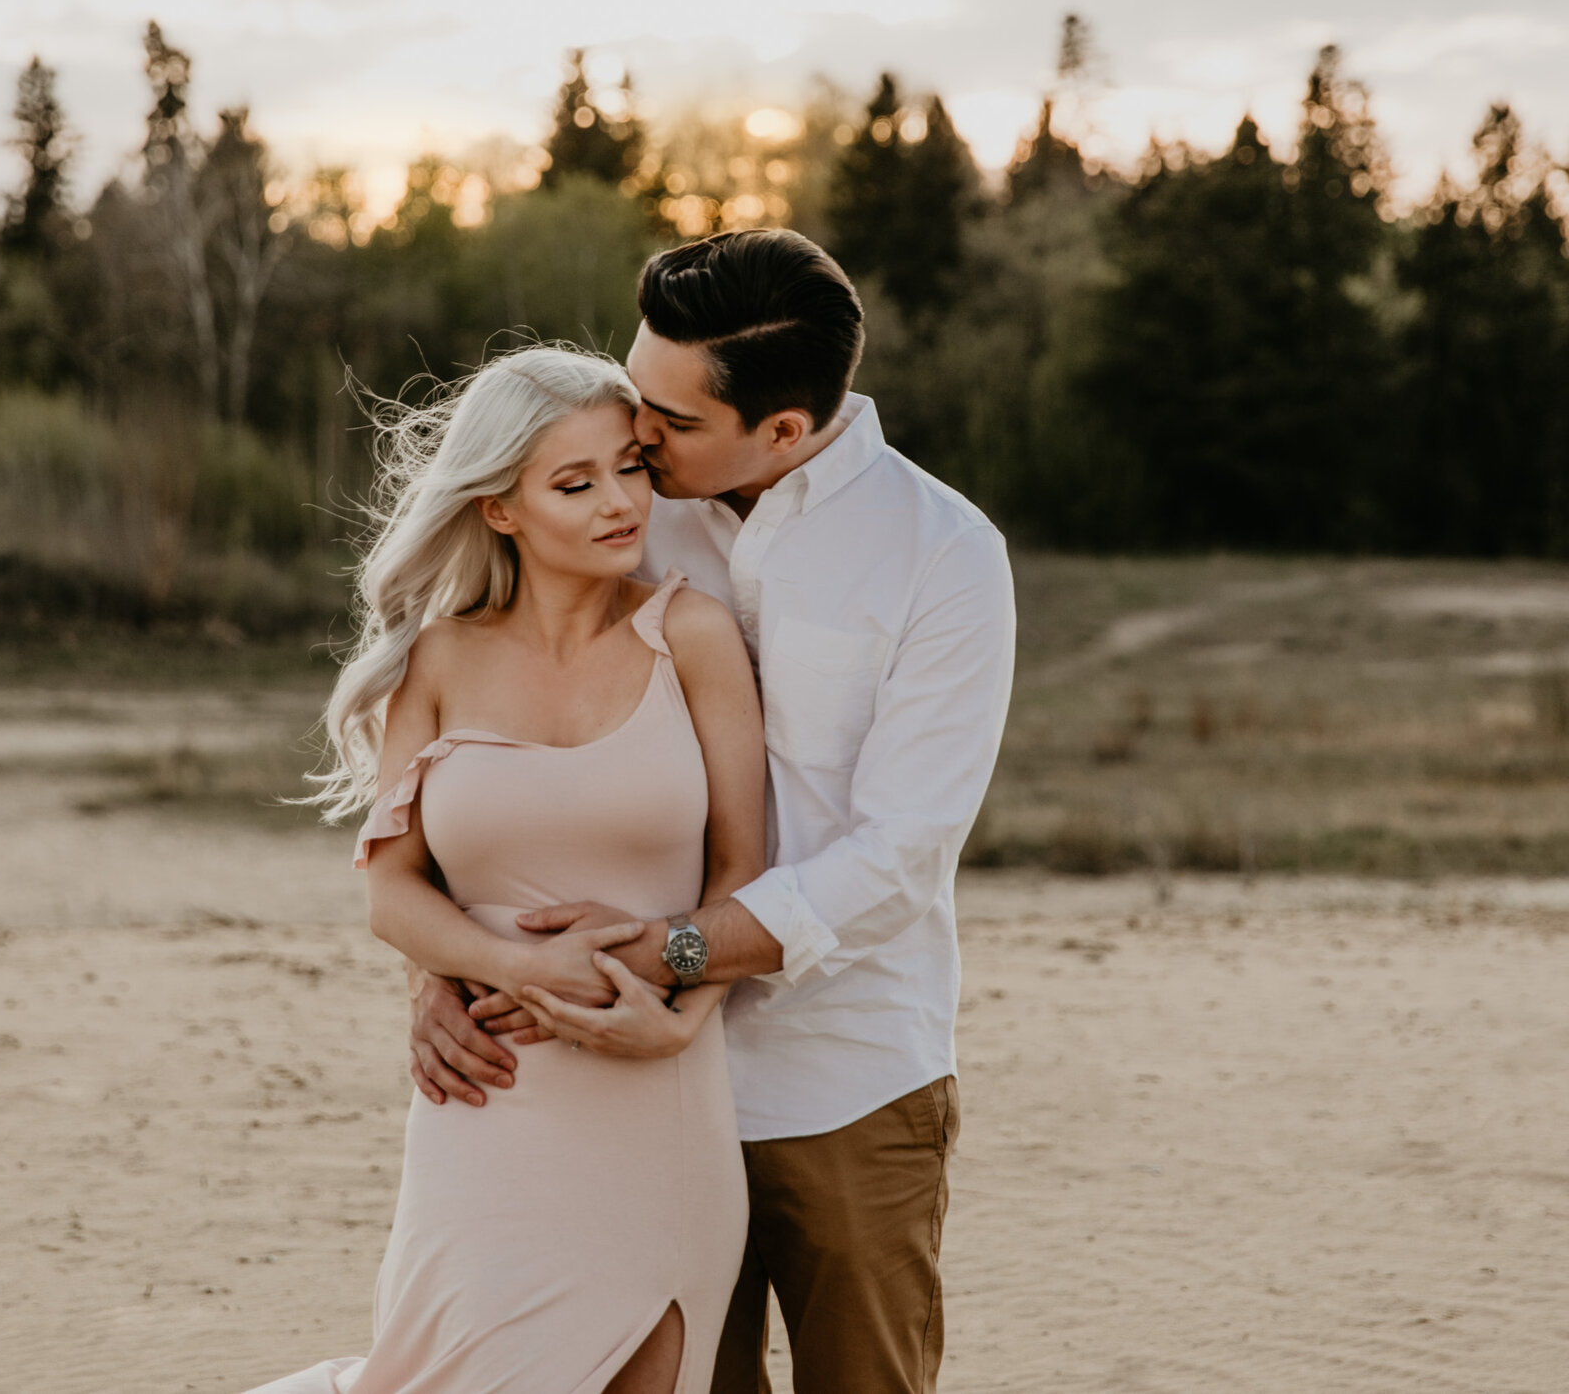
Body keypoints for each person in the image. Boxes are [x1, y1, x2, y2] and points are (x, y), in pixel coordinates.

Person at [410, 230, 1018, 1394]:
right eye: (637, 398)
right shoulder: (622, 505)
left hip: (843, 1077)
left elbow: (897, 857)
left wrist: (681, 953)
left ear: (783, 429)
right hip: (615, 1081)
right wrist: (439, 971)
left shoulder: (941, 556)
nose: (635, 439)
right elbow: (478, 753)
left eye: (671, 423)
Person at [250, 345, 768, 1394]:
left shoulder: (695, 636)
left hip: (655, 1092)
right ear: (499, 509)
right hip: (486, 1097)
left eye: (630, 466)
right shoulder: (437, 660)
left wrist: (678, 1012)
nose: (621, 503)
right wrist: (507, 965)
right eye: (574, 484)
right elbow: (392, 888)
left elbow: (742, 873)